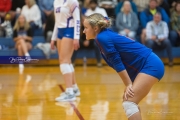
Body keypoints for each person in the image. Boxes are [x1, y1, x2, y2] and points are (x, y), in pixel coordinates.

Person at [83, 13, 164, 120]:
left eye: (85, 28)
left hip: (150, 64)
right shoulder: (104, 35)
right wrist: (129, 84)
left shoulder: (102, 38)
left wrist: (128, 84)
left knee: (129, 103)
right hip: (148, 63)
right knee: (130, 102)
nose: (84, 31)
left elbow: (117, 62)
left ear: (96, 28)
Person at [51, 0, 81, 102]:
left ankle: (69, 92)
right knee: (66, 61)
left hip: (70, 30)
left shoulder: (72, 1)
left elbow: (77, 20)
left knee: (63, 61)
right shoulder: (56, 1)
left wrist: (76, 37)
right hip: (60, 31)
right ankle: (74, 88)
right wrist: (53, 38)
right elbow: (57, 21)